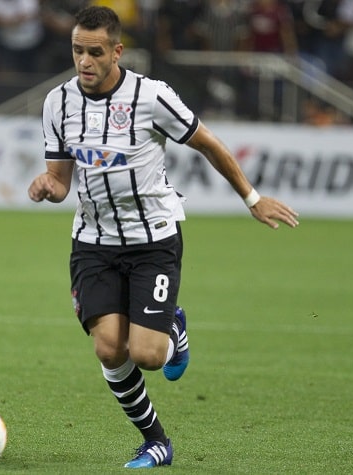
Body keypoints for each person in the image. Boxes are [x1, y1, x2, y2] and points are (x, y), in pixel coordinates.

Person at [27, 6, 299, 469]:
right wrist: (47, 186)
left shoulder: (151, 97)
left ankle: (173, 324)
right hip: (93, 242)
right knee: (109, 347)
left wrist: (252, 198)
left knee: (148, 356)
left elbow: (208, 143)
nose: (84, 62)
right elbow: (60, 180)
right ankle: (155, 441)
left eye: (95, 52)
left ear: (117, 51)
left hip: (153, 238)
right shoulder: (59, 102)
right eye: (77, 51)